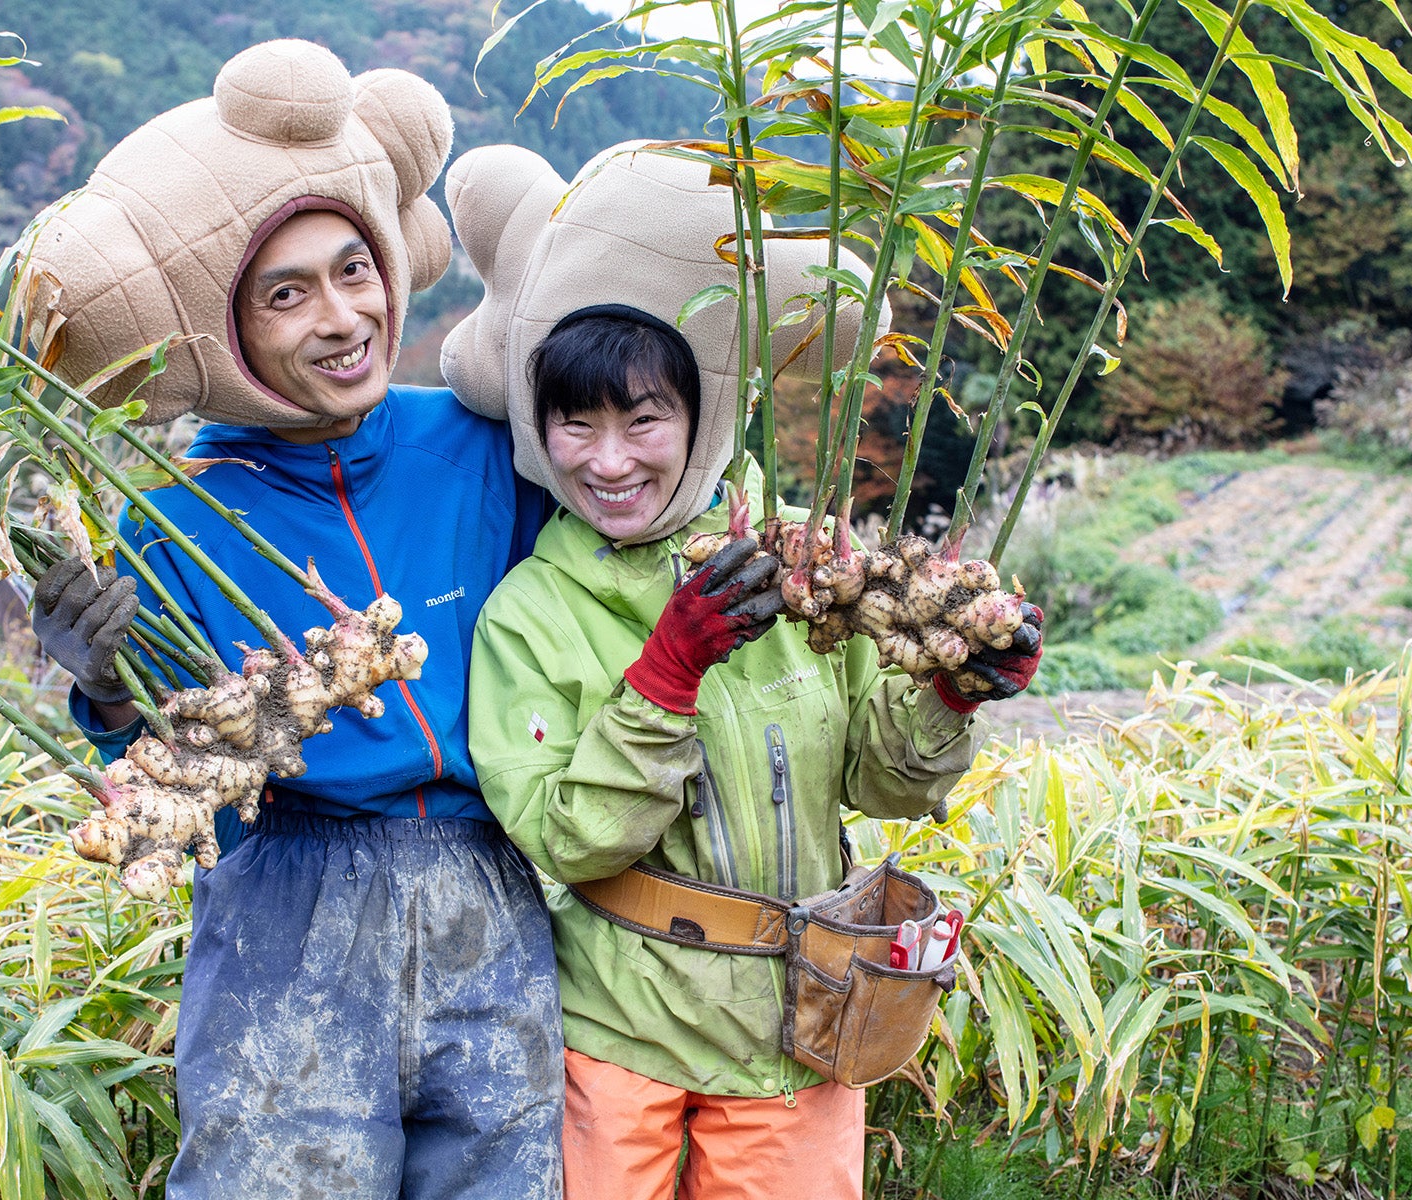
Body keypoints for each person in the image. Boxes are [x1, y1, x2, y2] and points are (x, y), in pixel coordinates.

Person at [443, 145, 1042, 1199]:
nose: (608, 459)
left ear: (705, 419)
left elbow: (884, 784)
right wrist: (666, 675)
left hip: (796, 1022)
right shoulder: (530, 615)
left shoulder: (804, 569)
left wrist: (951, 691)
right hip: (615, 1036)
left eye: (644, 418)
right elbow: (571, 840)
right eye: (572, 422)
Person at [19, 41, 562, 1199]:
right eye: (285, 293)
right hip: (285, 897)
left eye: (354, 268)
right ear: (224, 332)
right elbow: (168, 788)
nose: (340, 317)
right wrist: (102, 687)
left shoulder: (476, 444)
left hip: (490, 890)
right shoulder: (173, 521)